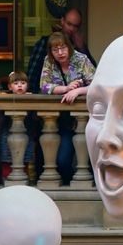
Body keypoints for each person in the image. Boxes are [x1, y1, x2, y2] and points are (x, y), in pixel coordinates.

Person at [27, 31, 95, 180]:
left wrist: (77, 90)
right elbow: (43, 86)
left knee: (89, 159)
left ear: (69, 47)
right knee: (62, 160)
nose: (60, 53)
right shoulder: (49, 61)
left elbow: (97, 85)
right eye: (55, 49)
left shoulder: (81, 59)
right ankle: (68, 182)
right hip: (62, 121)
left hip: (83, 120)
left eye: (63, 48)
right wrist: (65, 89)